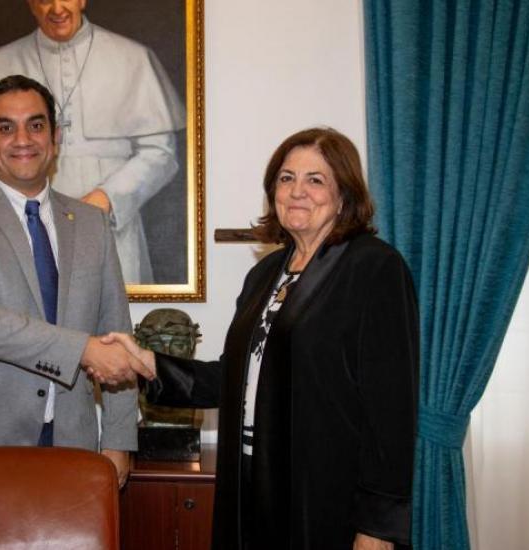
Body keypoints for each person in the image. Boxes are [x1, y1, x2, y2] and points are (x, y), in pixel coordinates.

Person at [105, 128, 419, 549]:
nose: (297, 191)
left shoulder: (375, 269)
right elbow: (232, 378)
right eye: (286, 178)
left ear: (344, 194)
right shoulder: (264, 276)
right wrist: (147, 363)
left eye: (315, 179)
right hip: (251, 482)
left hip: (326, 496)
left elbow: (391, 410)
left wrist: (378, 527)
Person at [0, 74, 152, 485]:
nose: (23, 138)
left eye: (36, 125)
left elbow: (115, 332)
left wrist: (117, 441)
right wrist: (82, 350)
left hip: (71, 442)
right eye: (6, 127)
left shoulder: (93, 223)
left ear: (55, 138)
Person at [0, 0, 186, 284]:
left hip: (111, 228)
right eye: (44, 0)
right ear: (30, 4)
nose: (57, 9)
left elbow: (161, 154)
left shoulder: (132, 57)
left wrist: (105, 201)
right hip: (25, 231)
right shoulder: (0, 62)